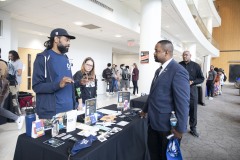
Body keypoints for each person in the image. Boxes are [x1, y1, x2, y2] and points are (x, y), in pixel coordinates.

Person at [140, 40, 190, 160]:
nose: (154, 53)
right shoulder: (159, 70)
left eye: (157, 51)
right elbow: (153, 94)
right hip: (153, 122)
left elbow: (183, 102)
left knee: (165, 156)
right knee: (154, 154)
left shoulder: (178, 71)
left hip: (167, 126)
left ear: (166, 52)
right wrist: (145, 110)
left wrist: (180, 129)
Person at [32, 28, 76, 119]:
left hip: (69, 109)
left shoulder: (65, 57)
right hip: (52, 112)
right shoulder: (42, 58)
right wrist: (58, 84)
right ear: (56, 39)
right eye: (66, 40)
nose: (69, 43)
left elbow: (67, 83)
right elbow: (37, 86)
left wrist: (79, 82)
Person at [179, 51, 204, 137]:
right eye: (183, 55)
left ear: (190, 56)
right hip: (181, 91)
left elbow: (201, 78)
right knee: (181, 109)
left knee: (193, 110)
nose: (185, 56)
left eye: (186, 55)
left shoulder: (196, 66)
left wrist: (193, 81)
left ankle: (193, 128)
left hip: (192, 90)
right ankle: (182, 126)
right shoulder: (179, 65)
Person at [0, 62, 24, 130]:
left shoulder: (2, 63)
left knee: (14, 101)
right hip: (6, 87)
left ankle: (18, 117)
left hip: (4, 89)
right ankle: (18, 118)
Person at [8, 50, 23, 115]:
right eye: (9, 56)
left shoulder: (19, 62)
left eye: (11, 56)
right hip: (10, 82)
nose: (10, 57)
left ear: (15, 56)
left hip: (15, 83)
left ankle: (19, 114)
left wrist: (12, 72)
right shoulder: (11, 62)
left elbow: (19, 73)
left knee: (14, 99)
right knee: (11, 99)